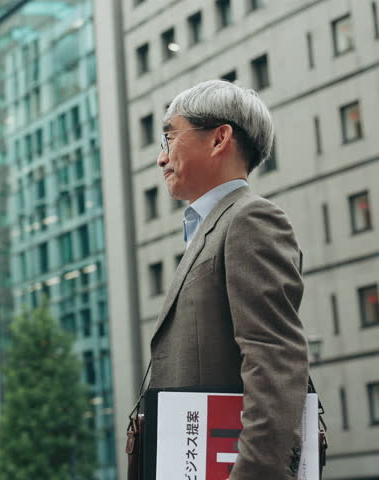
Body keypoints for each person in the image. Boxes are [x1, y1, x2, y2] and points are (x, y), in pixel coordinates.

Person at [150, 80, 309, 479]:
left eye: (170, 137)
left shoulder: (250, 219)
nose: (161, 157)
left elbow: (274, 358)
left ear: (219, 138)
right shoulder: (213, 226)